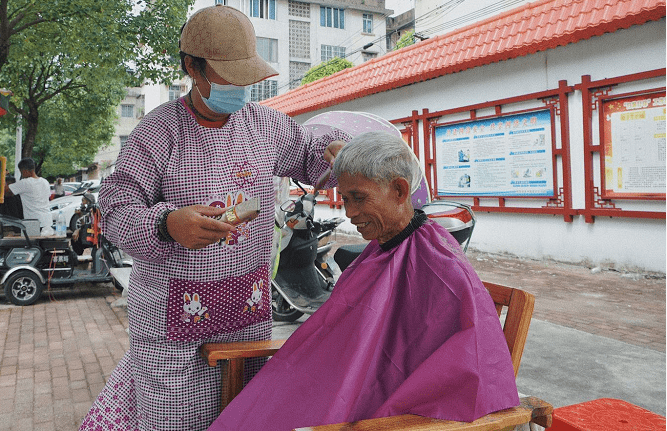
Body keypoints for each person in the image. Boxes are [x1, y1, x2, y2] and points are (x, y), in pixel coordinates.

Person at [79, 4, 348, 431]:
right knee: (175, 422)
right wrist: (167, 224)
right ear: (192, 68)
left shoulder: (265, 126)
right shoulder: (158, 131)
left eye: (246, 76)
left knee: (246, 418)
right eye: (228, 75)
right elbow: (114, 207)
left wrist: (333, 154)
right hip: (172, 324)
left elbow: (310, 157)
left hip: (248, 311)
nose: (240, 88)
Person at [209, 131, 520, 430]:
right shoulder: (380, 249)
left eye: (358, 198)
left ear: (399, 190)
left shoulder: (443, 270)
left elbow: (469, 376)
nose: (350, 212)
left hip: (376, 413)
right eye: (345, 198)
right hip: (339, 385)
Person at [5, 158, 54, 236]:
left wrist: (4, 174)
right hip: (47, 221)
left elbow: (6, 191)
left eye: (22, 172)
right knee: (40, 246)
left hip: (33, 222)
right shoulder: (45, 182)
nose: (22, 175)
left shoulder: (25, 183)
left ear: (25, 171)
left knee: (30, 246)